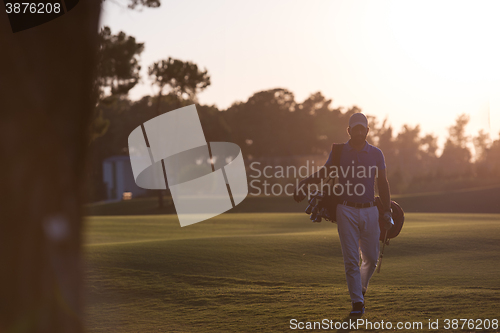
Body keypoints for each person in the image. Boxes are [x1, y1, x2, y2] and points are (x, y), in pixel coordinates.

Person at [293, 112, 393, 316]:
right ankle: (357, 303)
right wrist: (305, 183)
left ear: (367, 131)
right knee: (350, 260)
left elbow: (382, 183)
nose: (358, 132)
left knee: (372, 259)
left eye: (361, 128)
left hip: (370, 209)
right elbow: (325, 172)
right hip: (345, 209)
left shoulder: (376, 153)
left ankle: (361, 289)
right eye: (354, 128)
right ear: (348, 130)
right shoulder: (339, 152)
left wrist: (387, 210)